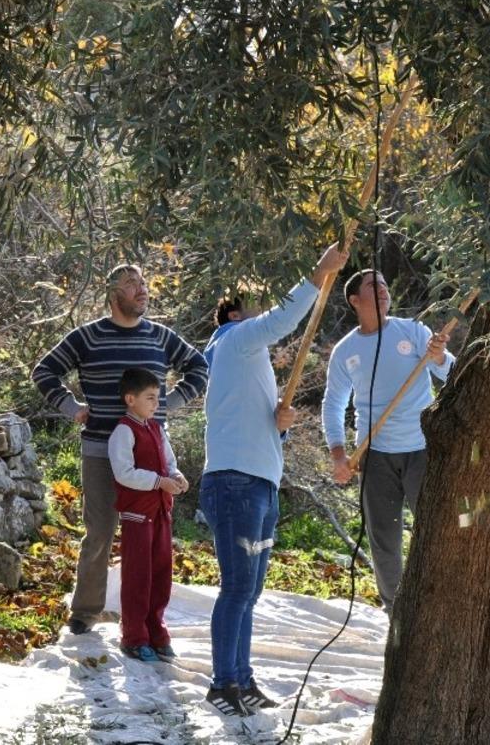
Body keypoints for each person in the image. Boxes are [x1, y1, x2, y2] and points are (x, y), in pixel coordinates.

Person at [201, 243, 348, 716]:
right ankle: (222, 683)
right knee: (237, 588)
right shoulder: (235, 339)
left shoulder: (246, 356)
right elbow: (283, 321)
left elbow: (251, 421)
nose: (264, 311)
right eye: (258, 302)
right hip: (236, 483)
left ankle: (241, 679)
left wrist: (277, 426)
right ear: (236, 311)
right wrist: (319, 273)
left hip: (260, 481)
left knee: (251, 591)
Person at [32, 264, 209, 635]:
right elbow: (44, 371)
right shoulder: (88, 337)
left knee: (149, 535)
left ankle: (144, 618)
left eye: (143, 283)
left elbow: (198, 366)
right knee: (99, 532)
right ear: (113, 294)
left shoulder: (160, 337)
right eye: (131, 284)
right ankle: (85, 613)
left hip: (150, 453)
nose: (141, 290)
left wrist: (169, 404)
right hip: (100, 451)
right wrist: (71, 408)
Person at [322, 269, 454, 614]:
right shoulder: (345, 350)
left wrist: (439, 356)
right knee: (384, 540)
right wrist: (338, 453)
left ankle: (436, 606)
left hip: (423, 450)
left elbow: (451, 373)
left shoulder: (413, 331)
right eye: (372, 285)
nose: (382, 289)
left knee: (434, 531)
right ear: (354, 300)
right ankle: (397, 611)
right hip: (374, 455)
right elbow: (333, 403)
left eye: (384, 283)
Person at [108, 368, 188, 662]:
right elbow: (124, 473)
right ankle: (133, 636)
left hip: (161, 513)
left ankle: (156, 631)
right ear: (130, 399)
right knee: (137, 577)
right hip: (137, 516)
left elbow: (169, 461)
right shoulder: (123, 431)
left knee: (161, 574)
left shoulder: (156, 429)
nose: (156, 403)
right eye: (150, 397)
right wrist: (158, 482)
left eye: (158, 397)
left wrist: (176, 477)